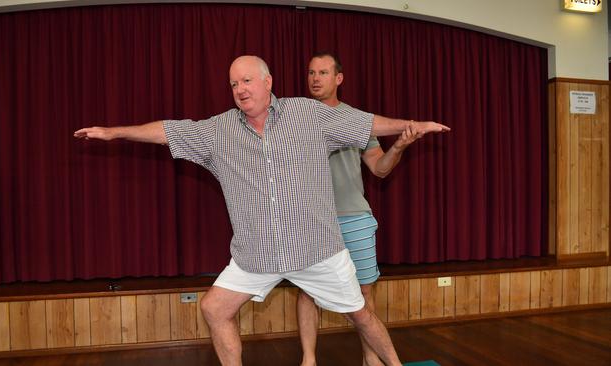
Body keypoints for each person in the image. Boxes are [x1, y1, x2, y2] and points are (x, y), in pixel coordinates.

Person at [74, 55, 449, 366]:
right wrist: (113, 132)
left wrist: (410, 126)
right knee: (214, 308)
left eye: (248, 81)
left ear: (268, 82)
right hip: (257, 254)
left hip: (317, 249)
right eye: (234, 84)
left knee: (361, 313)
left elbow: (365, 123)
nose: (240, 89)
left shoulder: (308, 114)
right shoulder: (218, 131)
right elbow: (168, 132)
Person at [298, 52, 425, 366]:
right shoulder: (295, 117)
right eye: (311, 72)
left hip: (354, 218)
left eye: (323, 72)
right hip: (312, 221)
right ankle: (309, 360)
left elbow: (379, 169)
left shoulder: (358, 120)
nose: (315, 78)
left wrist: (398, 146)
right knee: (307, 292)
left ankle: (370, 358)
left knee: (364, 293)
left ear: (338, 78)